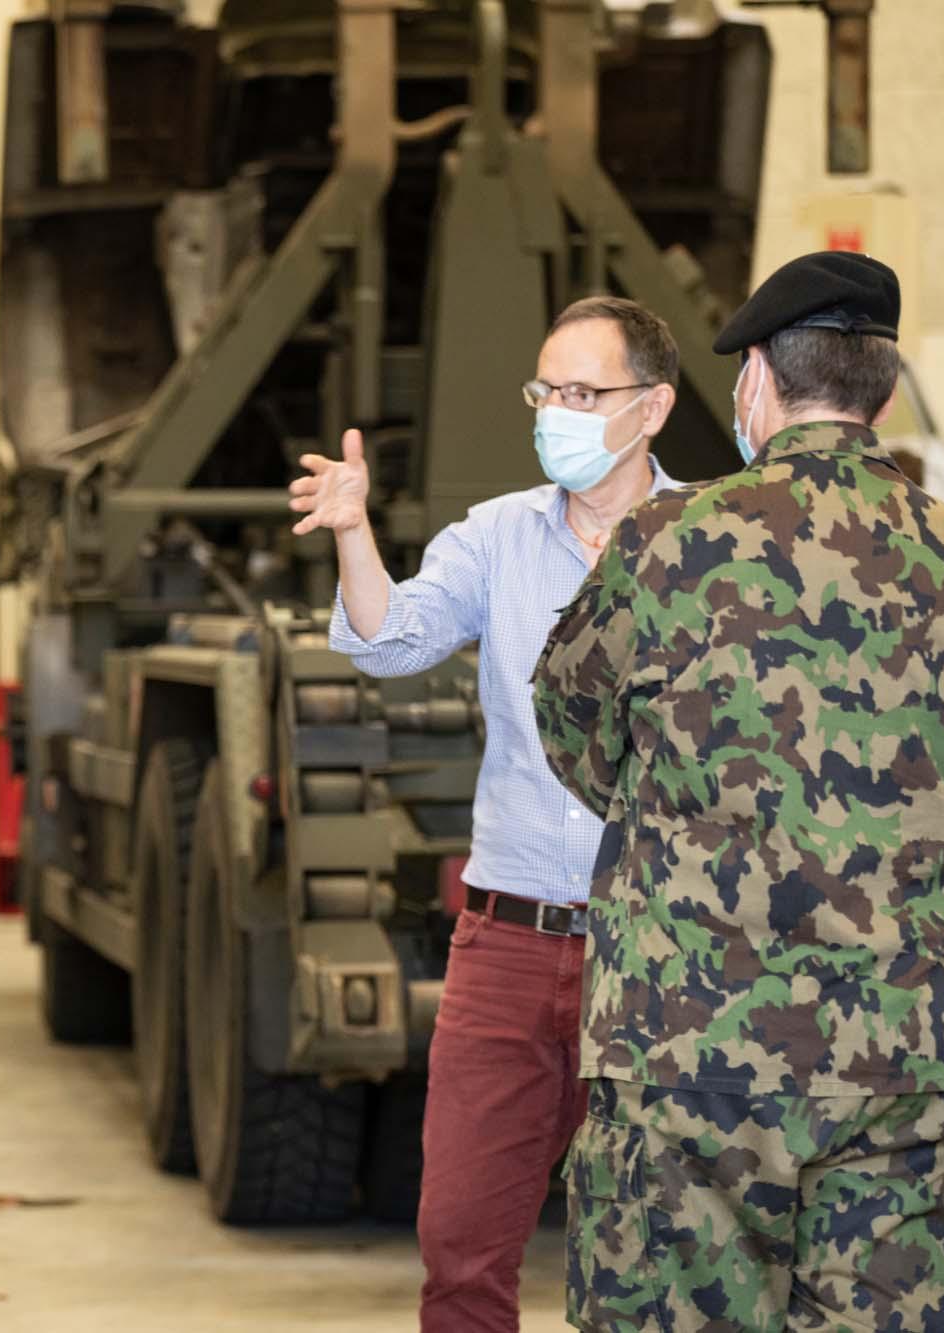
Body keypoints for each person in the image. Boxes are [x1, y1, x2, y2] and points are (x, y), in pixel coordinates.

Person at [534, 252, 944, 1331]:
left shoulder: (664, 546)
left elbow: (574, 733)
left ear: (752, 378)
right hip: (912, 1063)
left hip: (693, 1066)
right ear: (882, 391)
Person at [290, 296, 681, 1331]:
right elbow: (388, 639)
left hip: (656, 953)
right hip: (505, 943)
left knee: (648, 1262)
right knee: (459, 1251)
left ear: (649, 410)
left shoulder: (710, 548)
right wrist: (351, 531)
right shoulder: (499, 535)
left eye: (581, 393)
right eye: (544, 390)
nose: (554, 410)